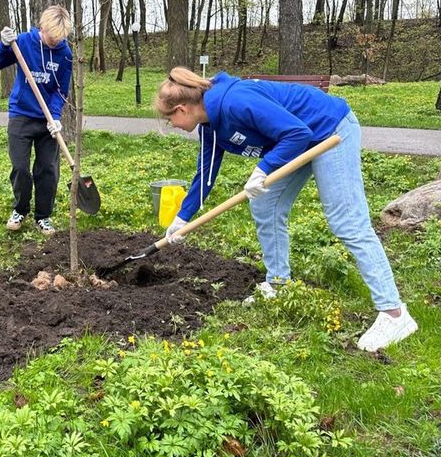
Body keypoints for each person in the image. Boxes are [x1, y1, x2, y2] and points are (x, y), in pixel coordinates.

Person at [156, 67, 418, 353]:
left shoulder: (236, 101)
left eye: (170, 121)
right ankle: (278, 283)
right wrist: (182, 218)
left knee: (346, 221)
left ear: (182, 109)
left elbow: (297, 132)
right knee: (265, 202)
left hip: (329, 129)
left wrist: (263, 169)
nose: (173, 126)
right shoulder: (209, 124)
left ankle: (394, 314)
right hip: (296, 140)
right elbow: (205, 174)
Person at [0, 5, 73, 235]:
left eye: (59, 39)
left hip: (47, 119)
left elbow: (60, 90)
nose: (54, 43)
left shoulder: (65, 54)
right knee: (20, 167)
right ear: (42, 28)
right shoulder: (25, 42)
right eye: (51, 38)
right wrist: (5, 44)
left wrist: (55, 117)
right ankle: (20, 209)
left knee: (48, 168)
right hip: (21, 115)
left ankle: (43, 216)